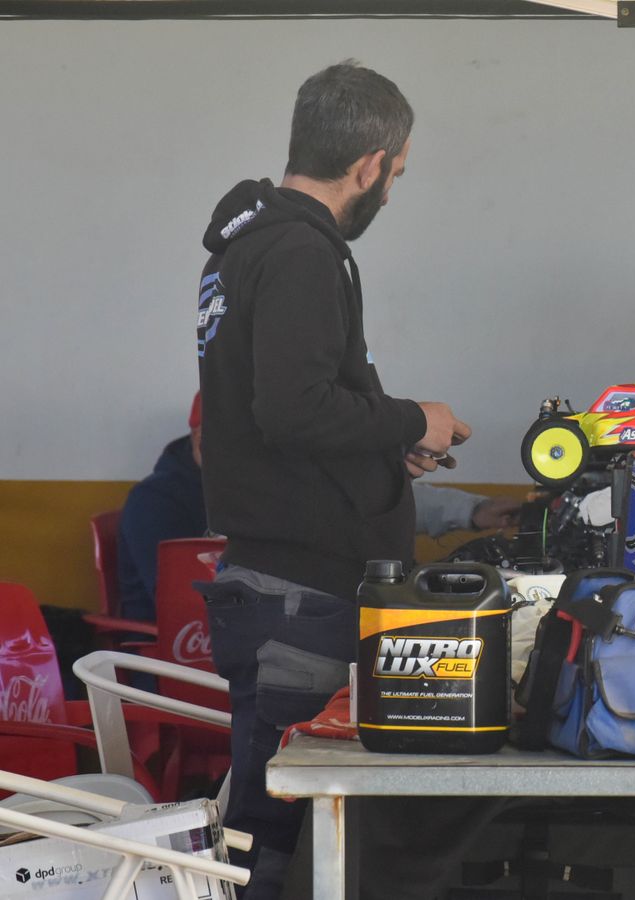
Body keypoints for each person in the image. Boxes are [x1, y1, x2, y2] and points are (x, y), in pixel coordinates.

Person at [194, 61, 478, 899]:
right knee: (277, 839)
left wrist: (385, 446)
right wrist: (408, 419)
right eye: (396, 174)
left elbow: (283, 412)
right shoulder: (298, 252)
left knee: (279, 830)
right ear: (370, 165)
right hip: (301, 597)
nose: (390, 194)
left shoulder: (251, 244)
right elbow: (292, 408)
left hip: (287, 584)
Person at [114, 389, 517, 622]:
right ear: (197, 439)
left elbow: (369, 501)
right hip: (174, 661)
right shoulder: (154, 503)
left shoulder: (269, 483)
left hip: (249, 635)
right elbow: (178, 607)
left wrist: (474, 512)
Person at [116, 392, 206, 622]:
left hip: (226, 636)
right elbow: (181, 603)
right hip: (158, 649)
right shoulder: (153, 501)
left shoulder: (243, 492)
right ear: (199, 439)